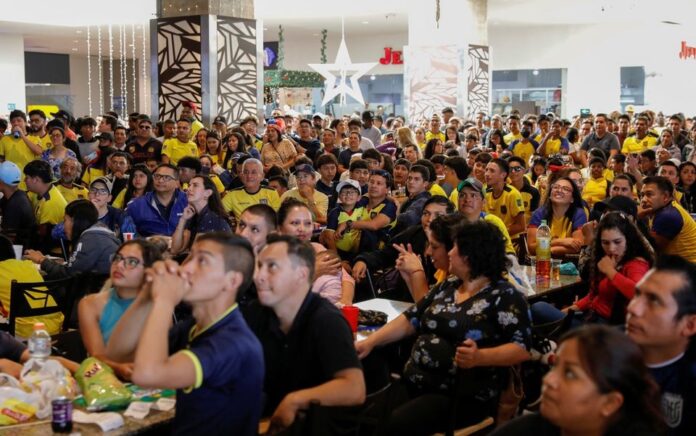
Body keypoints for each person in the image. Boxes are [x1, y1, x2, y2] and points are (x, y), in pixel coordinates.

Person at [356, 221, 531, 435]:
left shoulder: (505, 296)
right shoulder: (449, 285)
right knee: (366, 414)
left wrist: (480, 357)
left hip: (460, 396)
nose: (450, 252)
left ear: (470, 255)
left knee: (392, 425)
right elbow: (412, 317)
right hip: (416, 383)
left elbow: (521, 348)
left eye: (456, 247)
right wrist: (370, 342)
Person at [107, 233, 264, 435]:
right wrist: (147, 294)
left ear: (232, 280)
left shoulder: (232, 343)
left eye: (203, 261)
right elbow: (117, 352)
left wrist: (164, 300)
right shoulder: (193, 327)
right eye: (190, 257)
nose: (187, 268)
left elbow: (146, 375)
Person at [243, 234, 365, 431]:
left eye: (272, 267)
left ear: (301, 274)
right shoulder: (256, 311)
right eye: (259, 266)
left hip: (317, 425)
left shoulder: (326, 319)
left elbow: (354, 389)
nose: (259, 276)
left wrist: (295, 400)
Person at [493, 325, 664, 436]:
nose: (549, 380)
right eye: (556, 367)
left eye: (570, 374)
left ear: (610, 403)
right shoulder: (525, 430)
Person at [532, 212, 654, 326]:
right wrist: (566, 311)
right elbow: (593, 297)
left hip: (606, 330)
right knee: (536, 310)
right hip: (590, 318)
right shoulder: (608, 259)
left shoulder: (635, 263)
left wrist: (611, 272)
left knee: (538, 309)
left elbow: (640, 294)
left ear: (628, 240)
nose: (611, 248)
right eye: (605, 243)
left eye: (617, 242)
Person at [626, 255, 696, 436]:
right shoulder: (607, 351)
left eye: (654, 300)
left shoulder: (690, 384)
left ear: (689, 325)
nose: (633, 308)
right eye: (637, 294)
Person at [78, 239, 163, 380]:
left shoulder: (158, 305)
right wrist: (120, 368)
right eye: (117, 258)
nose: (119, 265)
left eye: (132, 262)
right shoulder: (90, 304)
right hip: (106, 381)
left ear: (149, 272)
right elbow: (97, 356)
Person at [277, 199, 354, 305]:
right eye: (295, 223)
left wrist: (345, 303)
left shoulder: (317, 248)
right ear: (279, 228)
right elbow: (278, 295)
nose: (302, 228)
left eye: (307, 223)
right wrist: (313, 272)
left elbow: (347, 279)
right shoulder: (272, 257)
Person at [24, 200, 120, 280]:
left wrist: (42, 260)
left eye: (65, 220)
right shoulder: (100, 232)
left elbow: (68, 274)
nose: (63, 226)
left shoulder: (89, 239)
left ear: (74, 220)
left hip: (95, 296)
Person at [639, 176, 696, 262]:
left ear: (665, 196)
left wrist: (635, 219)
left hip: (689, 272)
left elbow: (650, 251)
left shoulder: (668, 216)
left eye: (649, 194)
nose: (643, 200)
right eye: (642, 195)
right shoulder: (661, 209)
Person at [528, 176, 587, 257]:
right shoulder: (539, 213)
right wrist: (559, 242)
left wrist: (552, 250)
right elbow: (531, 248)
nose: (559, 190)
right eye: (556, 187)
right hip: (543, 262)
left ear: (572, 199)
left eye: (565, 189)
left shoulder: (578, 214)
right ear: (550, 194)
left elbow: (578, 246)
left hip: (570, 264)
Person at [171, 175, 231, 255]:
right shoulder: (193, 215)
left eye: (195, 185)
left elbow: (195, 255)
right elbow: (175, 249)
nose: (189, 189)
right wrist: (183, 219)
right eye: (189, 185)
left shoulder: (212, 218)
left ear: (208, 193)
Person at [127, 164, 188, 237]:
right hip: (149, 246)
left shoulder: (188, 201)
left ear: (177, 183)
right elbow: (128, 233)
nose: (160, 180)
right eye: (157, 176)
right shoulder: (136, 205)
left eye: (166, 177)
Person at [23, 159, 67, 250]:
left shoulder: (50, 203)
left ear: (36, 180)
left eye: (27, 177)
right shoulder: (40, 191)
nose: (24, 180)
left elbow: (45, 238)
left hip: (53, 251)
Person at [484, 158, 526, 237]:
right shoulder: (486, 193)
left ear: (503, 175)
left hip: (510, 241)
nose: (487, 174)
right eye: (486, 170)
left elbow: (521, 226)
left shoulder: (512, 194)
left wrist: (498, 233)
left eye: (492, 171)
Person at [323, 179, 363, 259]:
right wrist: (337, 259)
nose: (348, 195)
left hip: (359, 251)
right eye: (344, 192)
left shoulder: (363, 208)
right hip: (340, 252)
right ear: (339, 197)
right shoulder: (335, 213)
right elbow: (329, 237)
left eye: (352, 192)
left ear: (359, 197)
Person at [0, 161, 35, 247]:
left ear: (1, 182)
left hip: (18, 253)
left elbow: (6, 242)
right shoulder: (18, 194)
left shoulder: (14, 205)